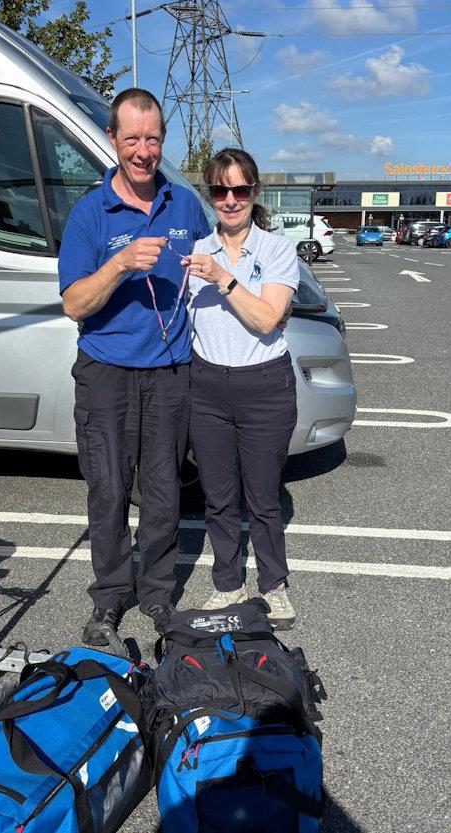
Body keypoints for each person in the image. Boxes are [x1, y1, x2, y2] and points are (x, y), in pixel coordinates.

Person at [58, 88, 210, 645]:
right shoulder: (89, 214)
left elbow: (215, 265)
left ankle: (157, 596)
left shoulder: (185, 205)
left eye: (152, 139)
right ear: (112, 140)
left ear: (161, 141)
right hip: (107, 373)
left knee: (165, 490)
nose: (142, 151)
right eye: (131, 139)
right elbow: (74, 303)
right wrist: (121, 262)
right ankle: (110, 597)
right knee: (108, 489)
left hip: (171, 372)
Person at [182, 148, 300, 629]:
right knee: (218, 495)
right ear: (209, 195)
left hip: (265, 385)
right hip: (207, 384)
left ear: (255, 193)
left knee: (263, 495)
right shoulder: (195, 251)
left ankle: (274, 586)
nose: (230, 200)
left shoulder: (276, 250)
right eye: (219, 190)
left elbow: (269, 318)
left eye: (240, 190)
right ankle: (228, 583)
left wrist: (224, 279)